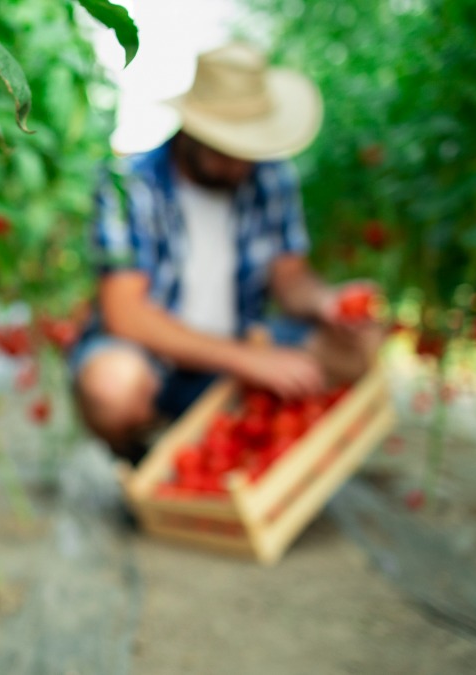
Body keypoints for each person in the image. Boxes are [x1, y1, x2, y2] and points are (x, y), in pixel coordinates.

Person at [71, 42, 382, 464]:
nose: (240, 164)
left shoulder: (271, 178)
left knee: (361, 345)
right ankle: (143, 452)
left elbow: (291, 279)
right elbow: (125, 313)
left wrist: (325, 301)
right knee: (111, 385)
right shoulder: (128, 184)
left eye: (248, 149)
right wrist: (249, 360)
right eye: (225, 149)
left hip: (240, 349)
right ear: (192, 130)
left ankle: (245, 443)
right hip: (158, 363)